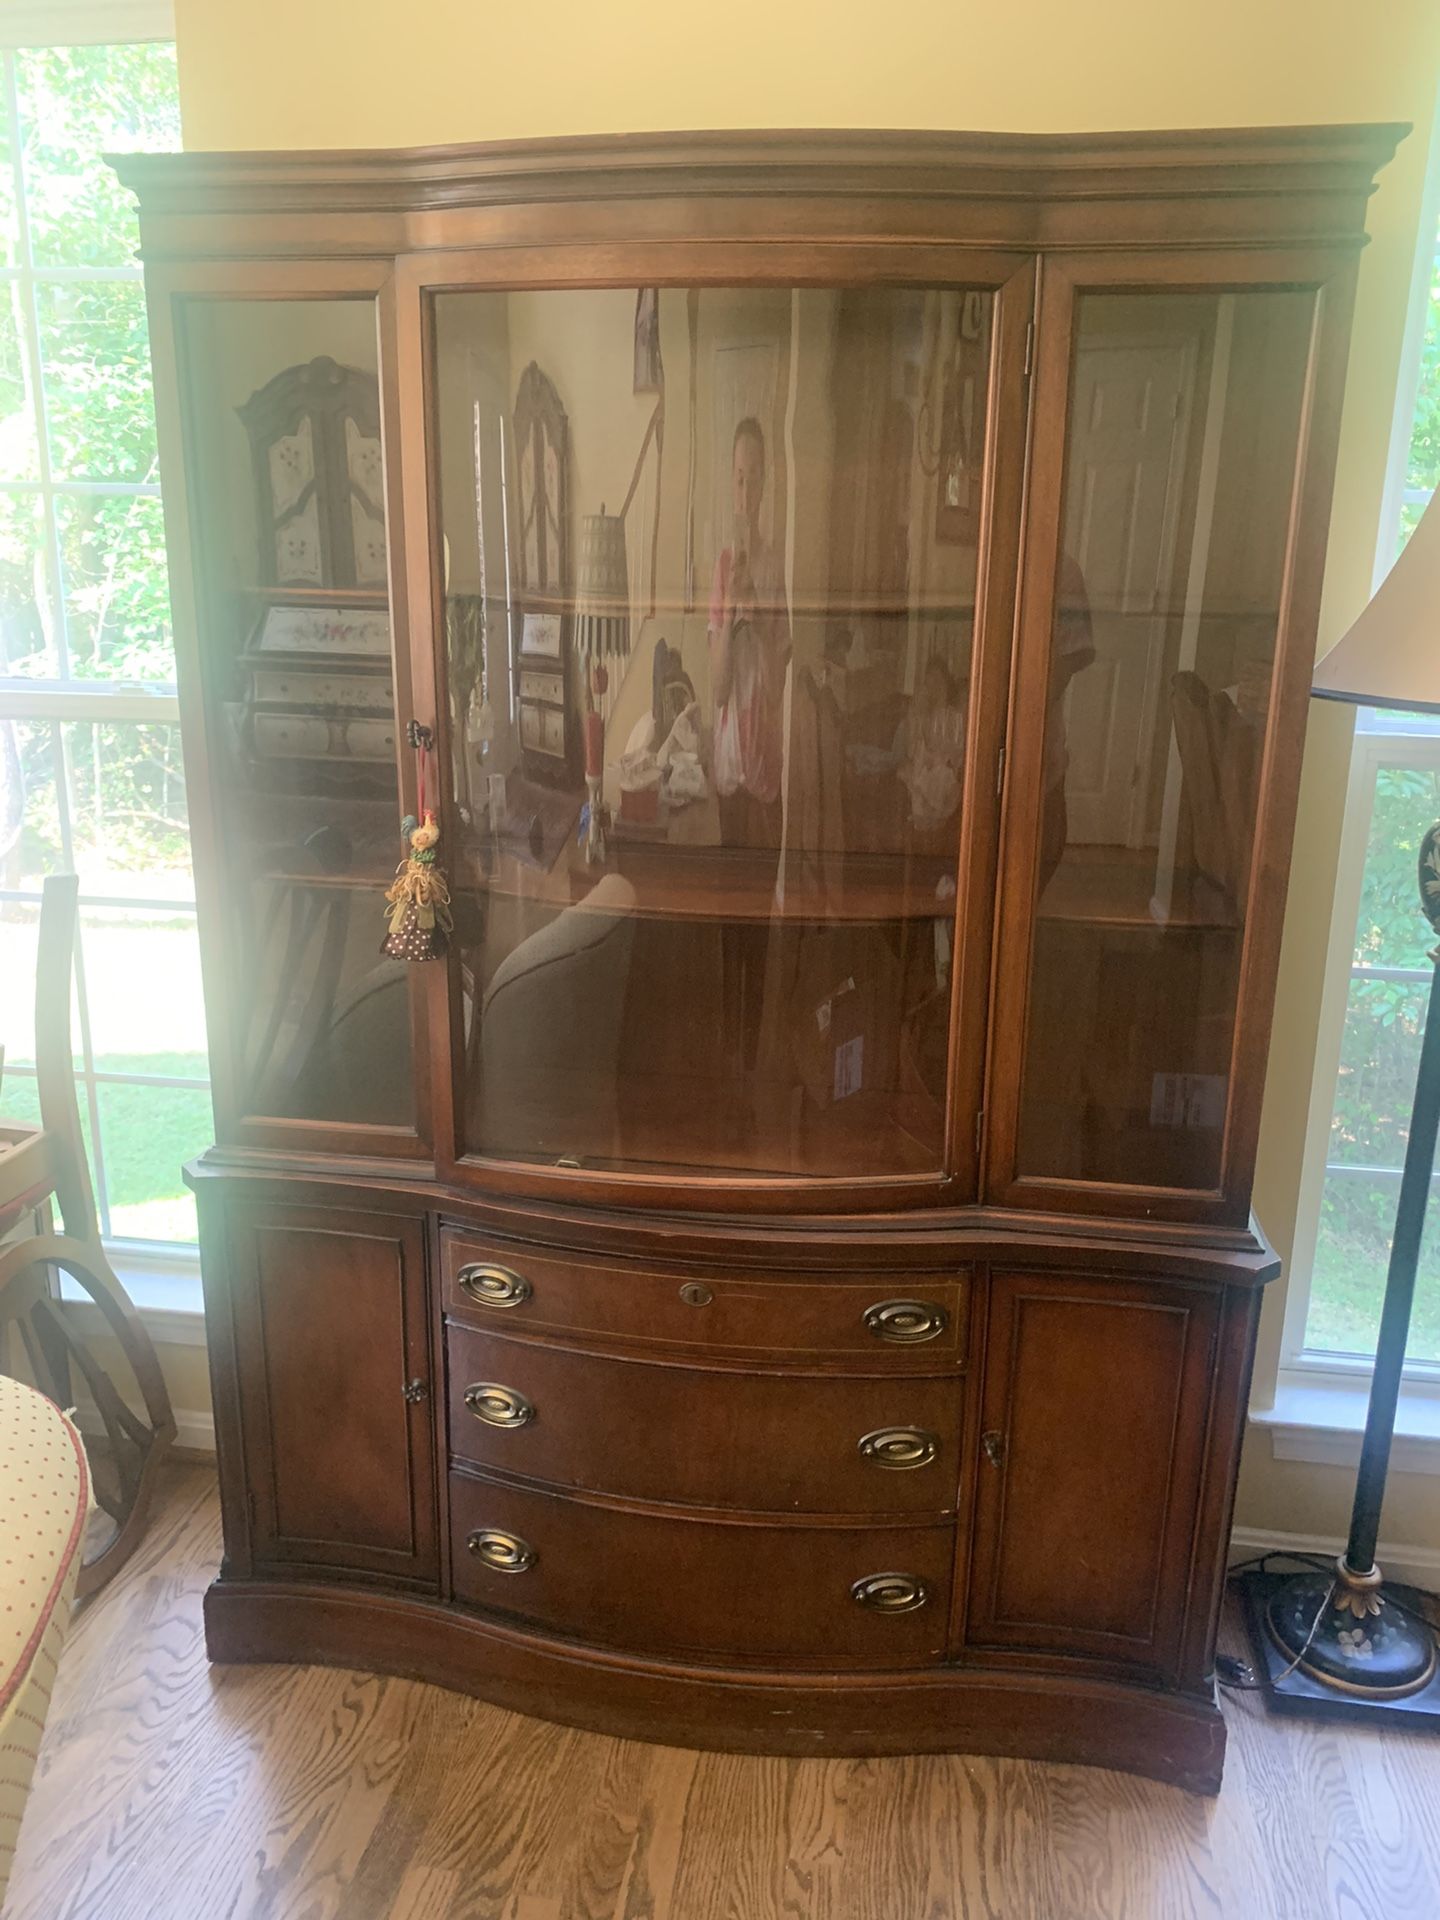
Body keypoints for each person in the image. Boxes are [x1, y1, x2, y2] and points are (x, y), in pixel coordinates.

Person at [709, 417, 789, 849]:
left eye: (754, 481)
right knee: (728, 899)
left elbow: (776, 688)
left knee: (760, 902)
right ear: (732, 484)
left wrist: (756, 614)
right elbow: (719, 691)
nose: (746, 495)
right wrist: (732, 606)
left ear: (764, 486)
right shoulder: (721, 569)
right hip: (727, 764)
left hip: (763, 763)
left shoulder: (776, 570)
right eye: (739, 480)